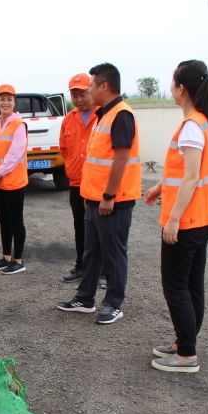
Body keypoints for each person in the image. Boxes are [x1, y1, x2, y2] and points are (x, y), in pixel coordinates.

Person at [144, 60, 208, 373]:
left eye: (172, 83)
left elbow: (192, 177)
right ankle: (184, 341)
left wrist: (174, 218)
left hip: (190, 219)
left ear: (182, 89)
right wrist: (159, 187)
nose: (170, 89)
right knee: (193, 284)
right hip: (206, 218)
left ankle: (186, 356)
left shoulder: (193, 125)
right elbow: (188, 174)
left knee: (176, 285)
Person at [57, 63, 141, 324]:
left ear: (105, 86)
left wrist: (109, 196)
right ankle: (85, 299)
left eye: (92, 84)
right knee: (91, 252)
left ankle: (114, 304)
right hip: (92, 198)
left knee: (114, 254)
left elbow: (121, 158)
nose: (89, 89)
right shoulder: (105, 114)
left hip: (113, 201)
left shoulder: (121, 115)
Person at [0, 84, 29, 275]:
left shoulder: (19, 125)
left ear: (14, 102)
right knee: (3, 221)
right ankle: (6, 257)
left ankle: (18, 260)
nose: (5, 102)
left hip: (12, 181)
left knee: (16, 220)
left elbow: (15, 154)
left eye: (9, 99)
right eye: (2, 99)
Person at [59, 73, 98, 282]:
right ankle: (81, 266)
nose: (79, 99)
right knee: (80, 227)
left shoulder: (103, 116)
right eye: (75, 95)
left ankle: (101, 271)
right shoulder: (69, 119)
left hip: (97, 185)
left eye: (82, 94)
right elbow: (64, 149)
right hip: (76, 183)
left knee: (99, 231)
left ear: (91, 91)